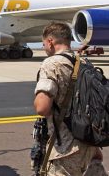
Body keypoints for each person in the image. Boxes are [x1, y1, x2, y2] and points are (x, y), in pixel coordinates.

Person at [34, 22, 107, 176]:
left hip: (65, 149)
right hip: (89, 143)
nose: (44, 48)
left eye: (43, 44)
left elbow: (42, 107)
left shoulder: (52, 63)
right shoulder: (84, 62)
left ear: (50, 41)